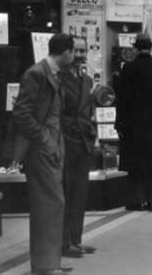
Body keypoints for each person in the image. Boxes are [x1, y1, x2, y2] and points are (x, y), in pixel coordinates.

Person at [11, 32, 75, 275]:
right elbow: (22, 113)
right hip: (43, 147)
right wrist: (44, 138)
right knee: (49, 203)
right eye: (74, 51)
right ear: (66, 52)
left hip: (53, 145)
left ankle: (51, 261)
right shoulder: (36, 74)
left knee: (52, 203)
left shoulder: (52, 74)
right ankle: (46, 264)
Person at [116, 32, 152, 212]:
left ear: (135, 48)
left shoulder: (128, 69)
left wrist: (120, 124)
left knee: (136, 165)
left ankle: (138, 200)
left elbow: (122, 100)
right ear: (151, 47)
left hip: (134, 126)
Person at [60, 36, 97, 258]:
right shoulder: (58, 79)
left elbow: (88, 111)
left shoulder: (87, 80)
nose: (81, 55)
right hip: (66, 140)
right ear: (67, 52)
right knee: (66, 193)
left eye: (84, 51)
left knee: (80, 194)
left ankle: (76, 239)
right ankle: (64, 243)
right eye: (76, 51)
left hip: (83, 142)